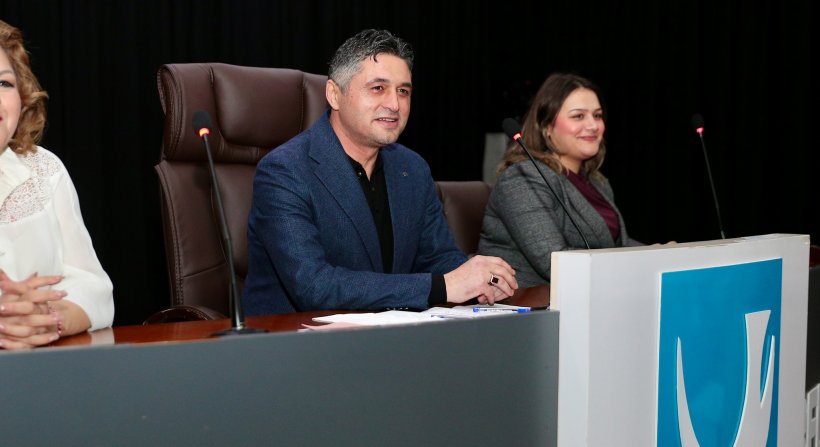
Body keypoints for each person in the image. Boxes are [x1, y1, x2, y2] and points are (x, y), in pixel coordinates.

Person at [242, 29, 517, 315]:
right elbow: (314, 286)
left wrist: (480, 278)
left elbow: (437, 258)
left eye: (403, 91)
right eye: (378, 88)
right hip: (296, 334)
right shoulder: (284, 171)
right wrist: (442, 286)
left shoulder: (412, 168)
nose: (394, 104)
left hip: (389, 332)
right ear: (334, 95)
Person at [0, 20, 114, 349]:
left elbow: (94, 289)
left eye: (4, 83)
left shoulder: (44, 169)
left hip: (44, 367)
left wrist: (46, 319)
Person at [478, 73, 642, 288]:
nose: (593, 125)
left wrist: (661, 252)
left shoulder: (597, 182)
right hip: (531, 303)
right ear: (547, 126)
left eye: (597, 115)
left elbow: (617, 244)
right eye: (578, 116)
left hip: (594, 291)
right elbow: (554, 262)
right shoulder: (522, 178)